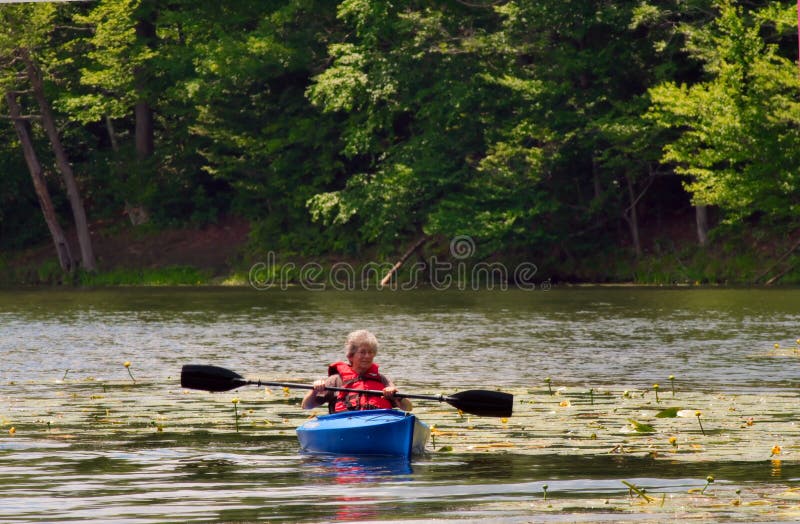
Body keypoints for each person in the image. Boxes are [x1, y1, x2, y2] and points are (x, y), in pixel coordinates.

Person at [301, 330, 413, 412]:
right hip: (345, 425)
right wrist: (314, 390)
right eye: (362, 352)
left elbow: (408, 408)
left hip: (378, 423)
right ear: (351, 356)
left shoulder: (382, 379)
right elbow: (306, 405)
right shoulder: (335, 380)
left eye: (370, 352)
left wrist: (397, 396)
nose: (367, 356)